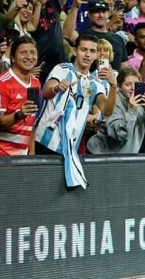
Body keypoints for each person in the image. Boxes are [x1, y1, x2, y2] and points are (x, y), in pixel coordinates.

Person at [35, 34, 117, 188]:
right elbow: (46, 93)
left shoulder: (96, 83)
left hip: (69, 149)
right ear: (75, 51)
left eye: (92, 51)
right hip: (45, 142)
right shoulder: (62, 69)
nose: (87, 54)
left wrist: (113, 87)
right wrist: (56, 88)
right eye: (83, 50)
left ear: (96, 55)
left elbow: (107, 111)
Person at [0, 36, 42, 156]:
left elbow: (31, 122)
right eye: (23, 53)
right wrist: (19, 115)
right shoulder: (1, 83)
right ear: (12, 57)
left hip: (22, 159)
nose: (29, 57)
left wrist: (31, 154)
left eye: (32, 52)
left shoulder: (36, 83)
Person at [87, 67, 145, 154]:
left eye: (136, 84)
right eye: (128, 84)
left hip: (127, 154)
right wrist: (132, 111)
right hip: (101, 154)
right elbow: (120, 134)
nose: (133, 88)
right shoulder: (114, 102)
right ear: (119, 86)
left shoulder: (143, 99)